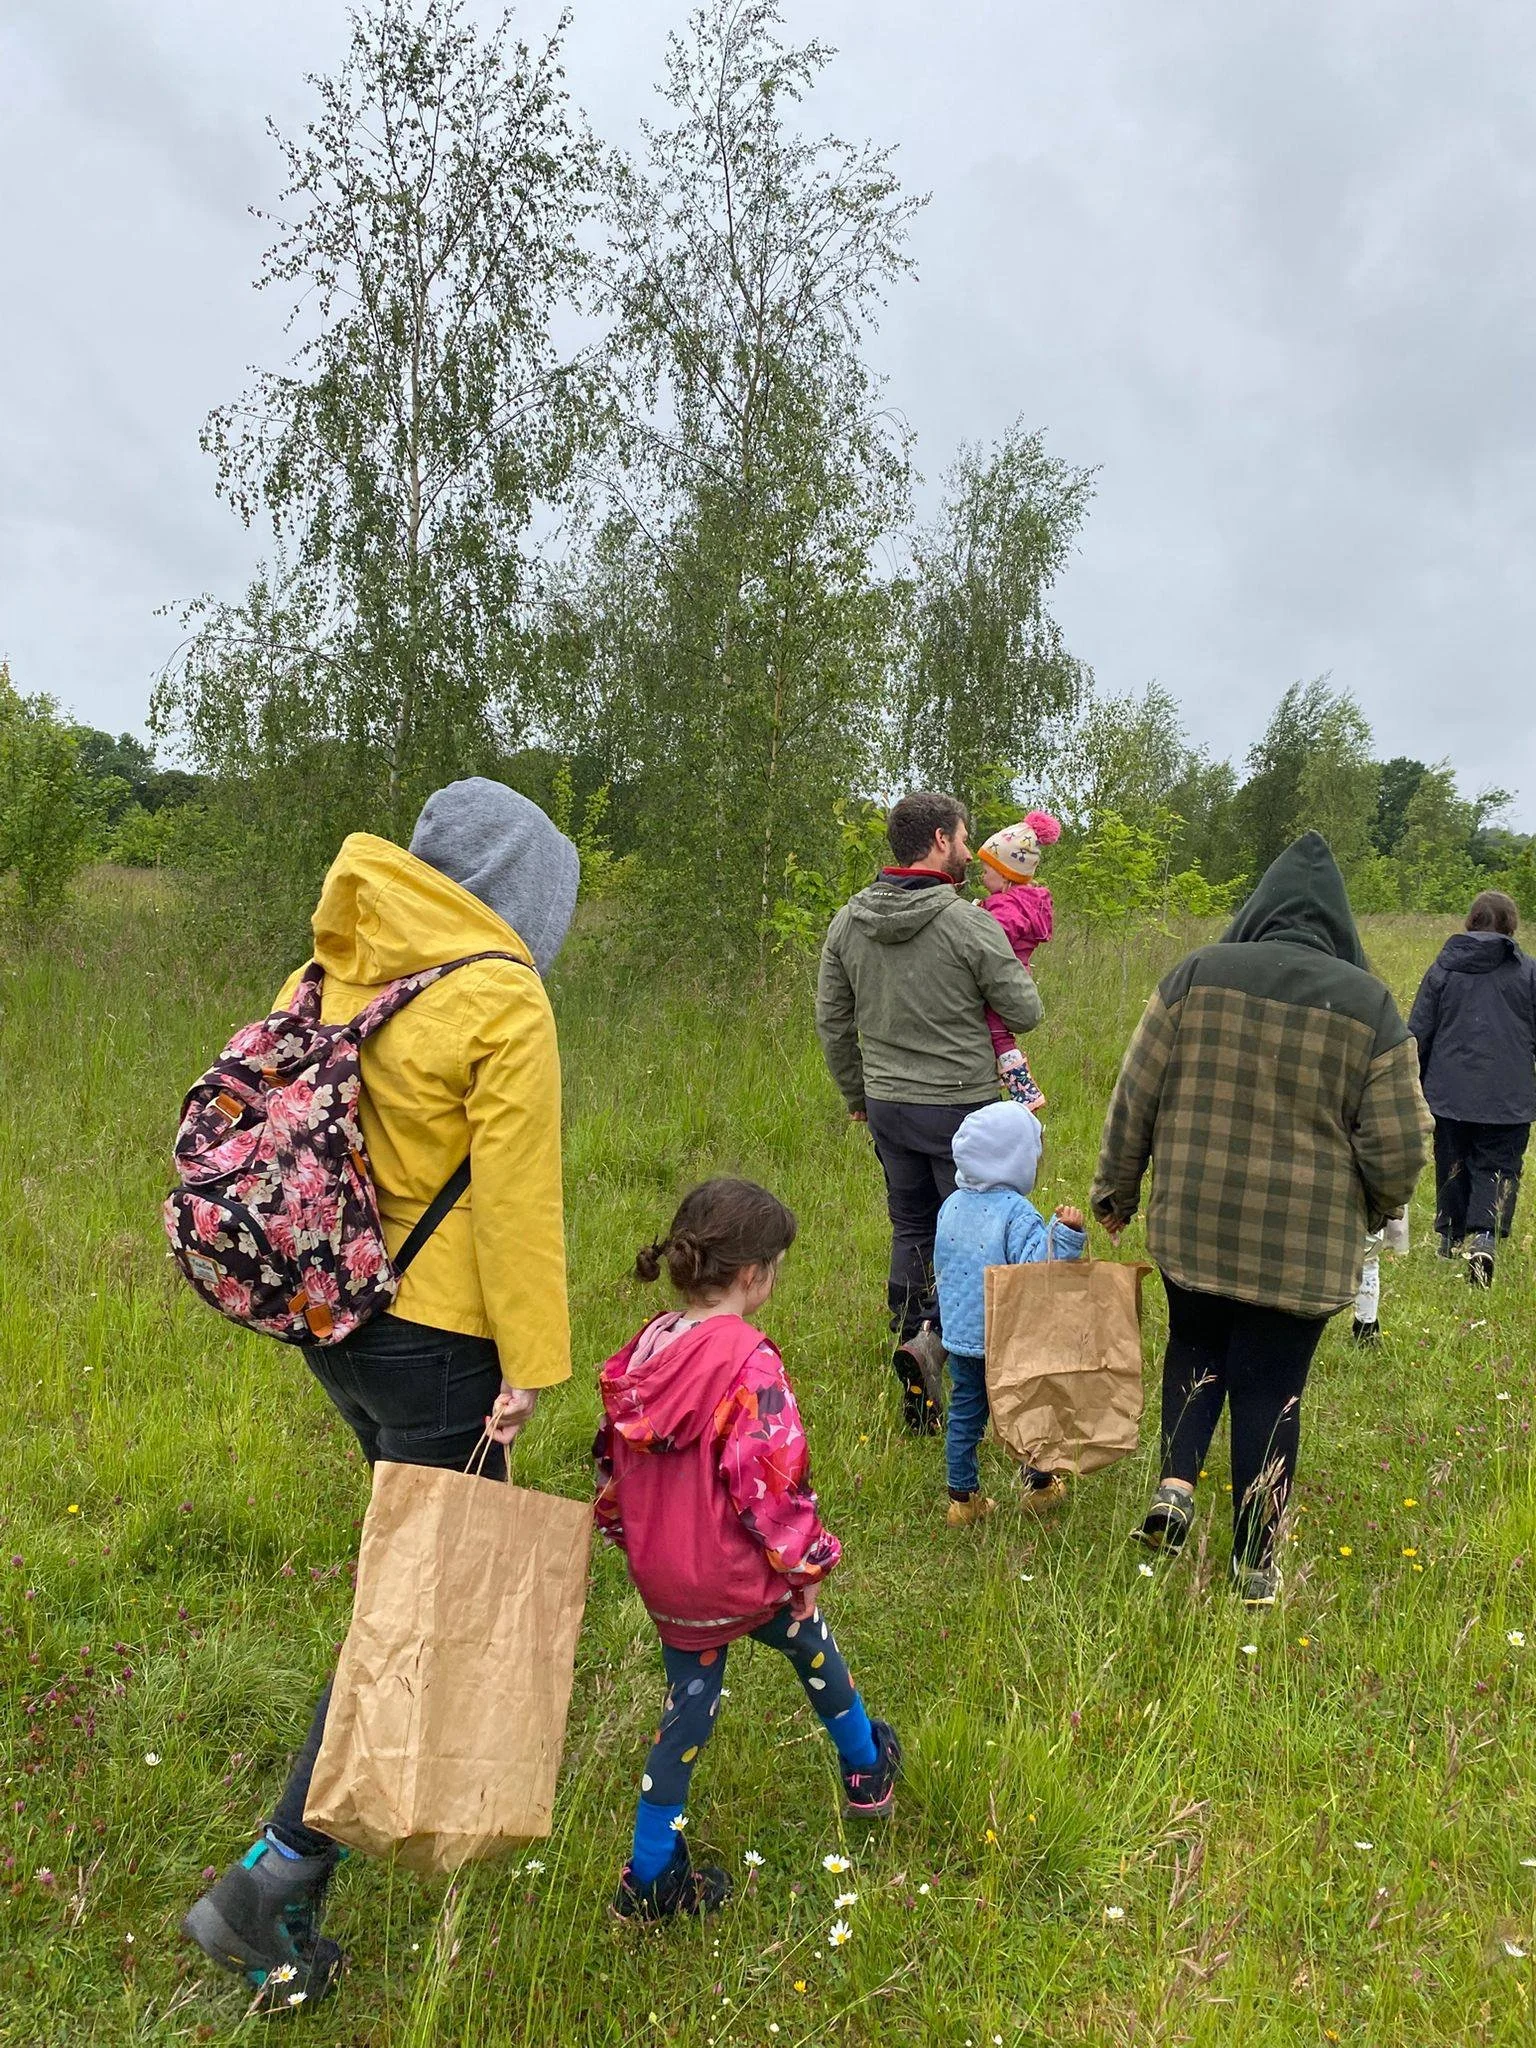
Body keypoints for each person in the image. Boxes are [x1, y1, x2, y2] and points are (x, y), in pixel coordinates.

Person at [183, 779, 578, 2005]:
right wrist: (532, 1366)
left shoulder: (336, 963)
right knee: (418, 1602)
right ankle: (274, 1880)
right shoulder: (501, 994)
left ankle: (304, 1855)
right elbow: (516, 1201)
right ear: (517, 890)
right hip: (444, 1339)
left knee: (405, 1581)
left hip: (336, 1316)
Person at [1090, 833, 1430, 1607]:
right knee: (1274, 1386)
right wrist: (1376, 1208)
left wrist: (1116, 1192)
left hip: (1195, 1224)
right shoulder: (1371, 1006)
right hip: (1304, 1248)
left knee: (1197, 1345)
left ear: (1258, 910)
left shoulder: (1194, 976)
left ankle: (1175, 1487)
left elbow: (1132, 1096)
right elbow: (1403, 1145)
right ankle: (1256, 1562)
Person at [595, 1179, 900, 1922]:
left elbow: (611, 1458)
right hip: (742, 1573)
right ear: (752, 1274)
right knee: (812, 1646)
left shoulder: (647, 1349)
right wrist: (804, 1566)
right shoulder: (747, 1362)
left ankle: (651, 1876)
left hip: (669, 1579)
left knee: (686, 1718)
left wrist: (626, 1534)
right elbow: (770, 1473)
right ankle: (865, 1770)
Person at [815, 791, 1043, 1434]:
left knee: (911, 1227)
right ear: (940, 841)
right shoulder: (971, 924)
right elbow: (1025, 1011)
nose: (972, 852)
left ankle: (910, 1338)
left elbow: (832, 1021)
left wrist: (857, 1094)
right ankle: (945, 1351)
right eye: (967, 839)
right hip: (962, 1110)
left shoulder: (848, 922)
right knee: (973, 1238)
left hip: (888, 1106)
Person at [933, 1100, 1086, 1525]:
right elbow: (1038, 1272)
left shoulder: (951, 1205)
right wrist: (1066, 1235)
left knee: (966, 1410)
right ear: (1013, 1159)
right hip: (1008, 1337)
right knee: (1028, 1406)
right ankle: (1037, 1486)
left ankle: (962, 1500)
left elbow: (943, 1265)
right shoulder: (1016, 1213)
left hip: (961, 1336)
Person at [1408, 889, 1536, 1288]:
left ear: (1471, 921)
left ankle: (1448, 1239)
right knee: (1499, 1166)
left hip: (1448, 1091)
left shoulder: (1442, 969)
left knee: (1453, 1163)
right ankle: (1484, 1239)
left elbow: (1419, 1032)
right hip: (1509, 1095)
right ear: (1511, 926)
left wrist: (1413, 1082)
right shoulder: (1528, 971)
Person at [976, 812, 1061, 1112]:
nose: (982, 876)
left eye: (987, 869)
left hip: (1004, 976)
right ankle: (1006, 1074)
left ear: (1006, 874)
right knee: (996, 1031)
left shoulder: (1010, 906)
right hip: (1013, 972)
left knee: (997, 1032)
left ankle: (1024, 1090)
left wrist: (975, 920)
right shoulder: (1019, 900)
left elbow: (991, 937)